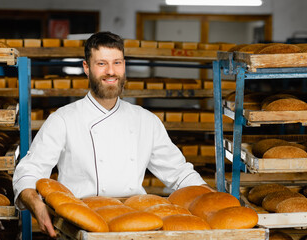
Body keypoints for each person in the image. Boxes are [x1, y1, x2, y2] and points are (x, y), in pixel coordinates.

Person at [13, 31, 212, 238]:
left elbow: (180, 173)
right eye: (101, 64)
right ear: (86, 68)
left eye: (117, 63)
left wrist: (213, 202)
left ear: (124, 66)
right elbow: (30, 170)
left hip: (134, 225)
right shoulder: (63, 119)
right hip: (81, 225)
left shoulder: (146, 120)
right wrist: (36, 204)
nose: (111, 71)